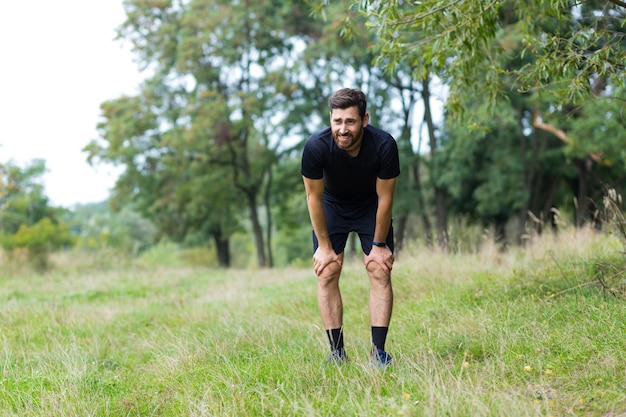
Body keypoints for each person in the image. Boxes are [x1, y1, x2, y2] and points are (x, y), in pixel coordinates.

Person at [300, 88, 400, 368]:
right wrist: (324, 246)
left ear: (364, 120)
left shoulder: (384, 145)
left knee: (379, 269)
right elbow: (313, 197)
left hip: (371, 205)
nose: (343, 129)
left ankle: (379, 354)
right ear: (330, 120)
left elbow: (386, 197)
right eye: (337, 121)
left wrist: (379, 247)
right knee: (328, 269)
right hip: (332, 205)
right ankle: (336, 353)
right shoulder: (315, 146)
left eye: (350, 122)